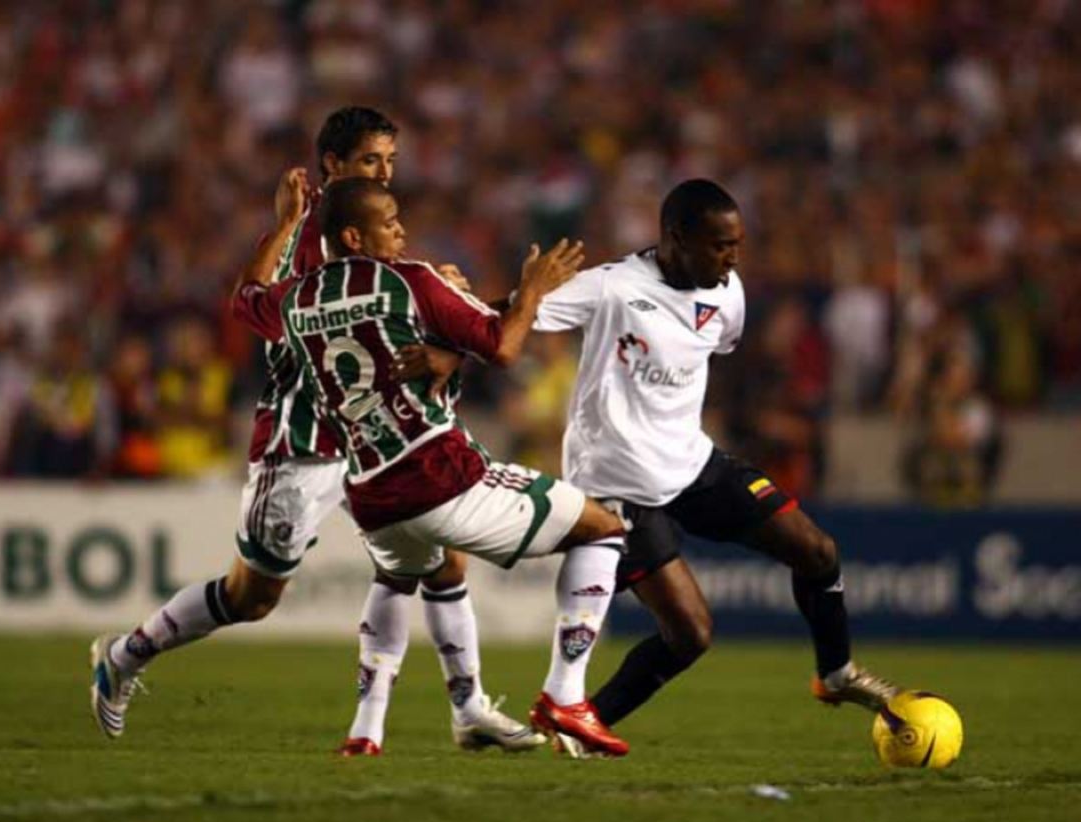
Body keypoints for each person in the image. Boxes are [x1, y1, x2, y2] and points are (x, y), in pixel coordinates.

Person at [90, 108, 533, 756]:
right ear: (331, 165)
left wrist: (439, 309)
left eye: (390, 162)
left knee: (443, 557)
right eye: (370, 161)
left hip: (375, 433)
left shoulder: (372, 233)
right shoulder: (319, 236)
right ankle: (127, 654)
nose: (385, 173)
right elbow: (265, 307)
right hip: (305, 440)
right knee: (253, 595)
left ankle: (468, 707)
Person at [232, 176, 632, 756]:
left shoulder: (296, 299)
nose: (401, 230)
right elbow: (503, 346)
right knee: (604, 527)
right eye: (389, 221)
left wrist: (286, 222)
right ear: (353, 235)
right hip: (441, 475)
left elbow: (246, 294)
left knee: (403, 577)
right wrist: (533, 290)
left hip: (370, 493)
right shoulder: (409, 281)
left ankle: (368, 731)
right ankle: (565, 695)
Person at [527, 179, 901, 741]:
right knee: (691, 635)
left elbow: (714, 346)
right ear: (676, 240)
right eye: (720, 245)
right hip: (618, 487)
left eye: (737, 245)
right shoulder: (609, 287)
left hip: (692, 464)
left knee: (818, 552)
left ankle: (836, 673)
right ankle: (579, 727)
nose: (732, 258)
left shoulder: (727, 294)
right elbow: (513, 316)